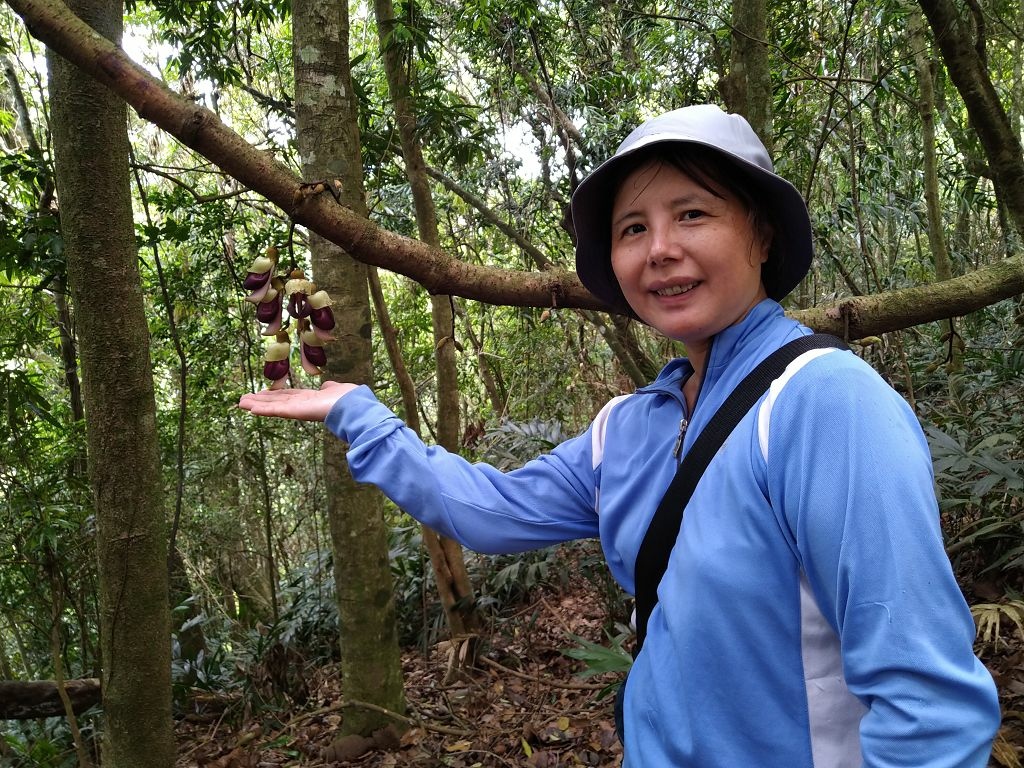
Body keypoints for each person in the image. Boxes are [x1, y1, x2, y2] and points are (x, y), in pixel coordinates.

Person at [238, 104, 1000, 766]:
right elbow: (490, 512)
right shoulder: (631, 427)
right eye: (633, 228)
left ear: (761, 235)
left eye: (692, 214)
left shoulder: (825, 404)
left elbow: (927, 700)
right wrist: (356, 413)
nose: (659, 247)